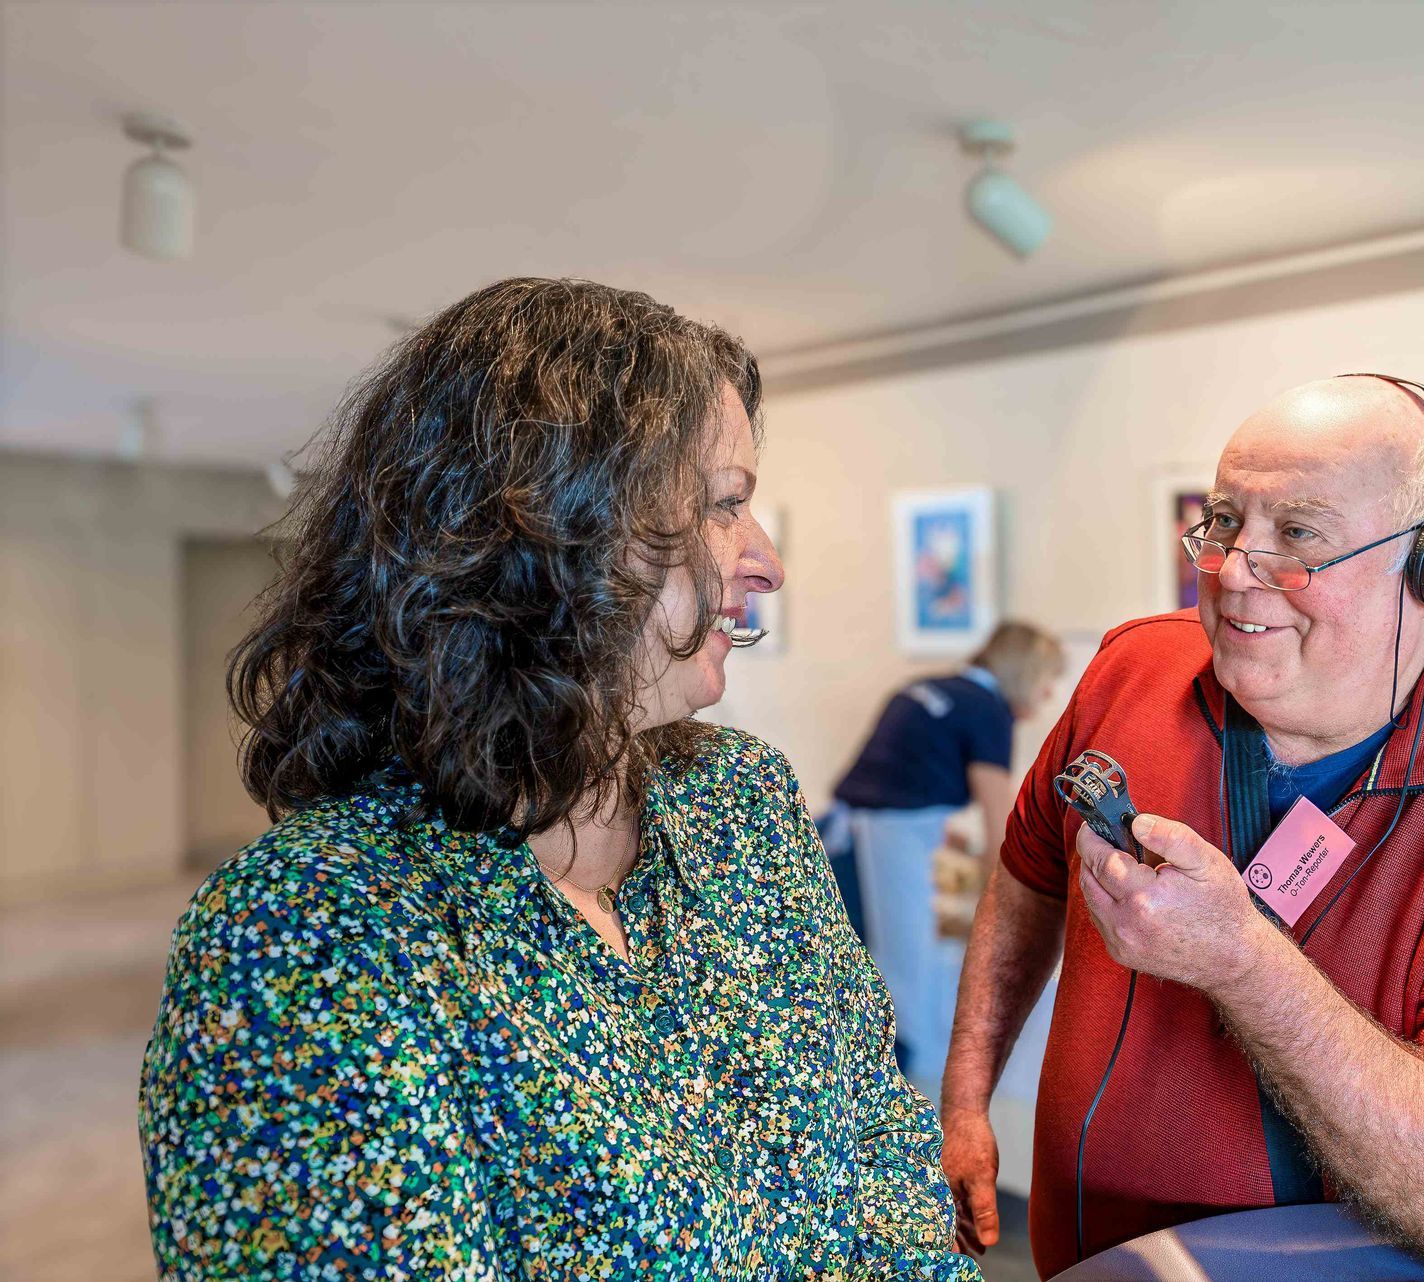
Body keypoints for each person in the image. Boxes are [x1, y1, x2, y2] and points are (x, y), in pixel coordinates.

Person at [138, 278, 978, 1279]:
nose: (766, 563)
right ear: (549, 536)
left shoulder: (741, 802)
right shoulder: (306, 931)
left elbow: (885, 1153)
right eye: (726, 507)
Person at [942, 376, 1424, 1282]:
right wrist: (964, 1099)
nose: (1233, 571)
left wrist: (1242, 963)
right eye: (1224, 521)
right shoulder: (1131, 669)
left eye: (1298, 536)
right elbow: (1029, 871)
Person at [832, 622, 1065, 1093]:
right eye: (1044, 680)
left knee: (867, 962)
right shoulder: (987, 712)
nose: (1045, 695)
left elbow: (903, 783)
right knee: (904, 975)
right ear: (1021, 673)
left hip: (844, 833)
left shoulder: (931, 688)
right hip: (886, 839)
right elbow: (1003, 824)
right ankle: (903, 1107)